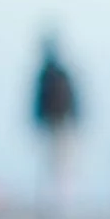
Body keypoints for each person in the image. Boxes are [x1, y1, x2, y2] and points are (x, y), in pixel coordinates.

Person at [31, 35, 80, 198]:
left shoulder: (48, 75)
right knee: (58, 167)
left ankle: (58, 202)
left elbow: (39, 103)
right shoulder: (54, 74)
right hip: (57, 125)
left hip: (58, 125)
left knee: (58, 166)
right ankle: (57, 201)